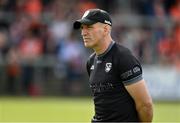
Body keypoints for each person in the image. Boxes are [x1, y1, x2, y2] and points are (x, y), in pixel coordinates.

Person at [73, 8, 153, 122]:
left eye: (89, 27)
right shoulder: (91, 61)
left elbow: (145, 105)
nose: (83, 32)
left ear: (106, 29)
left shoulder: (123, 57)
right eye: (82, 28)